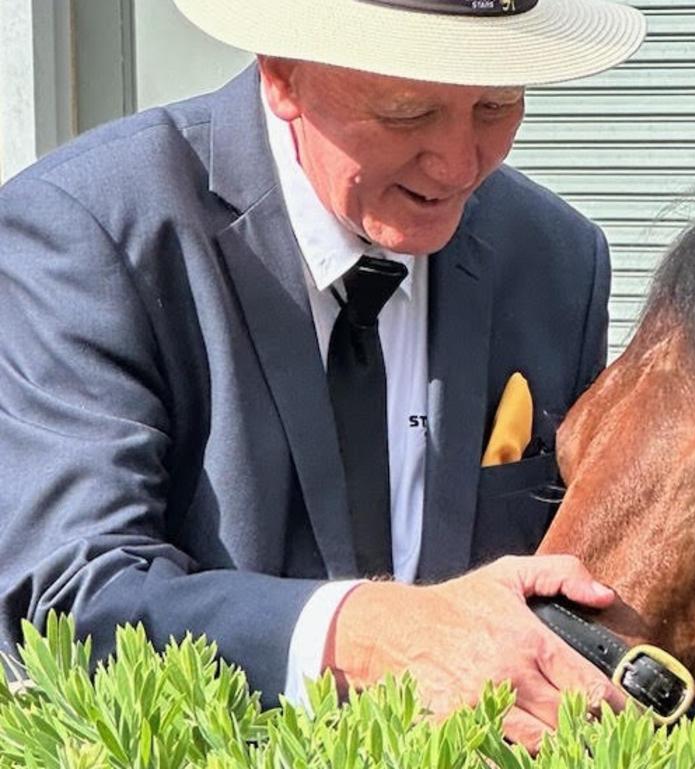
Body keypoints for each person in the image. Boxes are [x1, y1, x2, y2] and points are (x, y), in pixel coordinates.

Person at [0, 0, 644, 749]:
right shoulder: (91, 232)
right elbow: (69, 598)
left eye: (496, 106)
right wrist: (367, 636)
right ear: (282, 75)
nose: (460, 164)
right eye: (409, 113)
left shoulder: (559, 260)